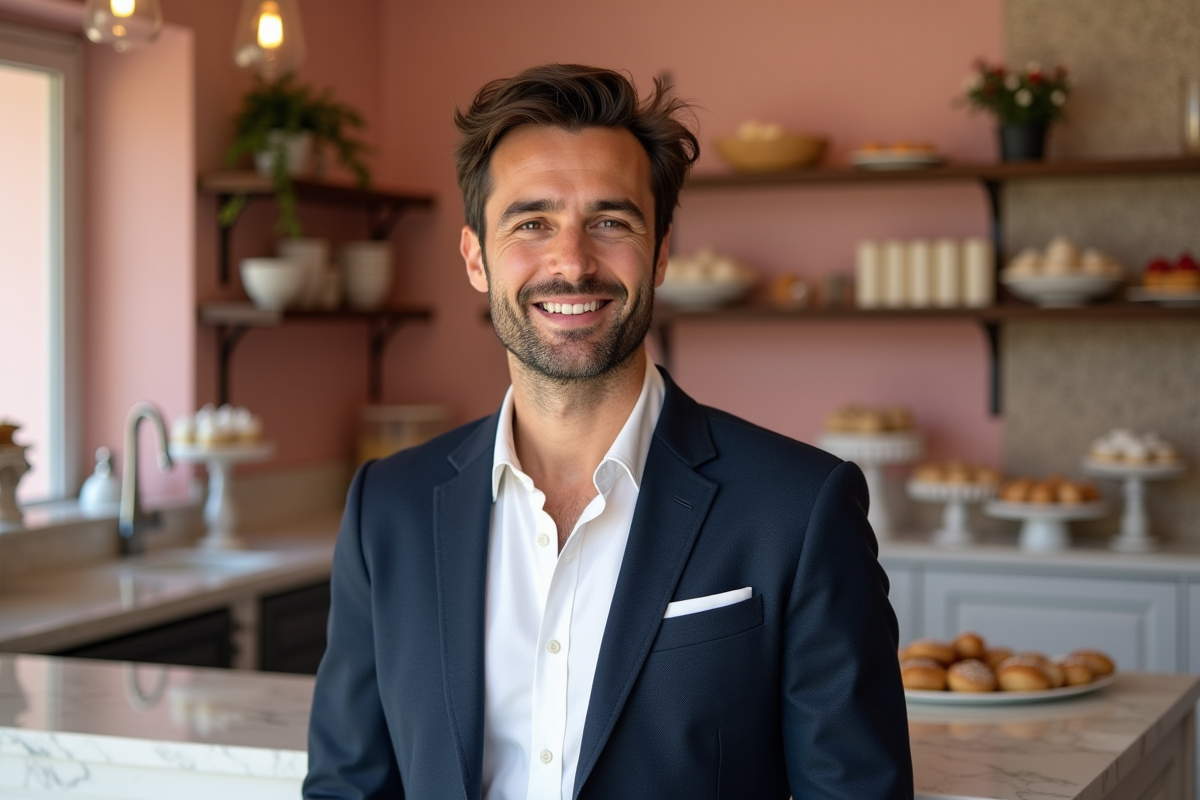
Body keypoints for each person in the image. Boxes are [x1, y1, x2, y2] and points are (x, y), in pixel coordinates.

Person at [304, 64, 912, 800]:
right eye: (531, 223)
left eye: (610, 222)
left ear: (659, 254)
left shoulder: (800, 508)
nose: (571, 262)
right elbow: (348, 788)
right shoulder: (386, 509)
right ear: (475, 257)